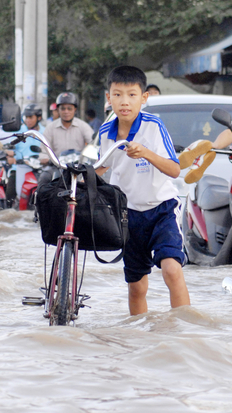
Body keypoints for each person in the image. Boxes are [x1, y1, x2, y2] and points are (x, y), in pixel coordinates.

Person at [96, 65, 190, 316]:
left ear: (144, 98)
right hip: (128, 215)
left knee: (171, 270)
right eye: (117, 94)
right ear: (109, 98)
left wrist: (146, 153)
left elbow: (174, 169)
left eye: (131, 95)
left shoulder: (154, 125)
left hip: (162, 209)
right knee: (136, 286)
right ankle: (138, 337)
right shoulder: (106, 132)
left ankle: (185, 332)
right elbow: (101, 167)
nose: (124, 102)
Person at [3, 104, 46, 206]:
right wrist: (9, 154)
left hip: (40, 169)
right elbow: (8, 146)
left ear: (39, 118)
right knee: (9, 194)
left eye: (31, 117)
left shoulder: (46, 132)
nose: (28, 120)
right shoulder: (19, 131)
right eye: (26, 117)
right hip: (19, 167)